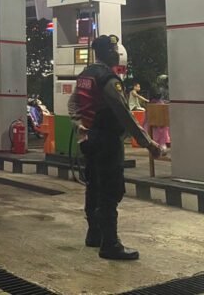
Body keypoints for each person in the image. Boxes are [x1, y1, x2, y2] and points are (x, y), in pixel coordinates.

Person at [69, 35, 162, 260]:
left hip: (90, 140)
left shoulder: (85, 75)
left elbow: (73, 103)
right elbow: (124, 115)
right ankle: (110, 244)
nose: (117, 54)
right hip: (108, 142)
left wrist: (79, 123)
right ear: (106, 53)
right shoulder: (109, 80)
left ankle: (94, 234)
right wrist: (148, 143)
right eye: (113, 50)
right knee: (110, 192)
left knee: (93, 186)